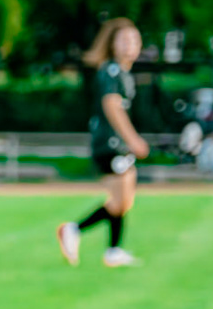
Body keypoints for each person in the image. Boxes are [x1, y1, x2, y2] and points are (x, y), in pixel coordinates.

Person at [58, 17, 148, 268]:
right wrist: (133, 139)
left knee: (122, 201)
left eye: (135, 39)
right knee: (121, 199)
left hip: (116, 144)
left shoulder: (123, 73)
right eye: (125, 40)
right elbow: (112, 106)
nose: (131, 44)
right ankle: (75, 231)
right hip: (109, 144)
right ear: (112, 44)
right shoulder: (111, 71)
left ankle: (112, 249)